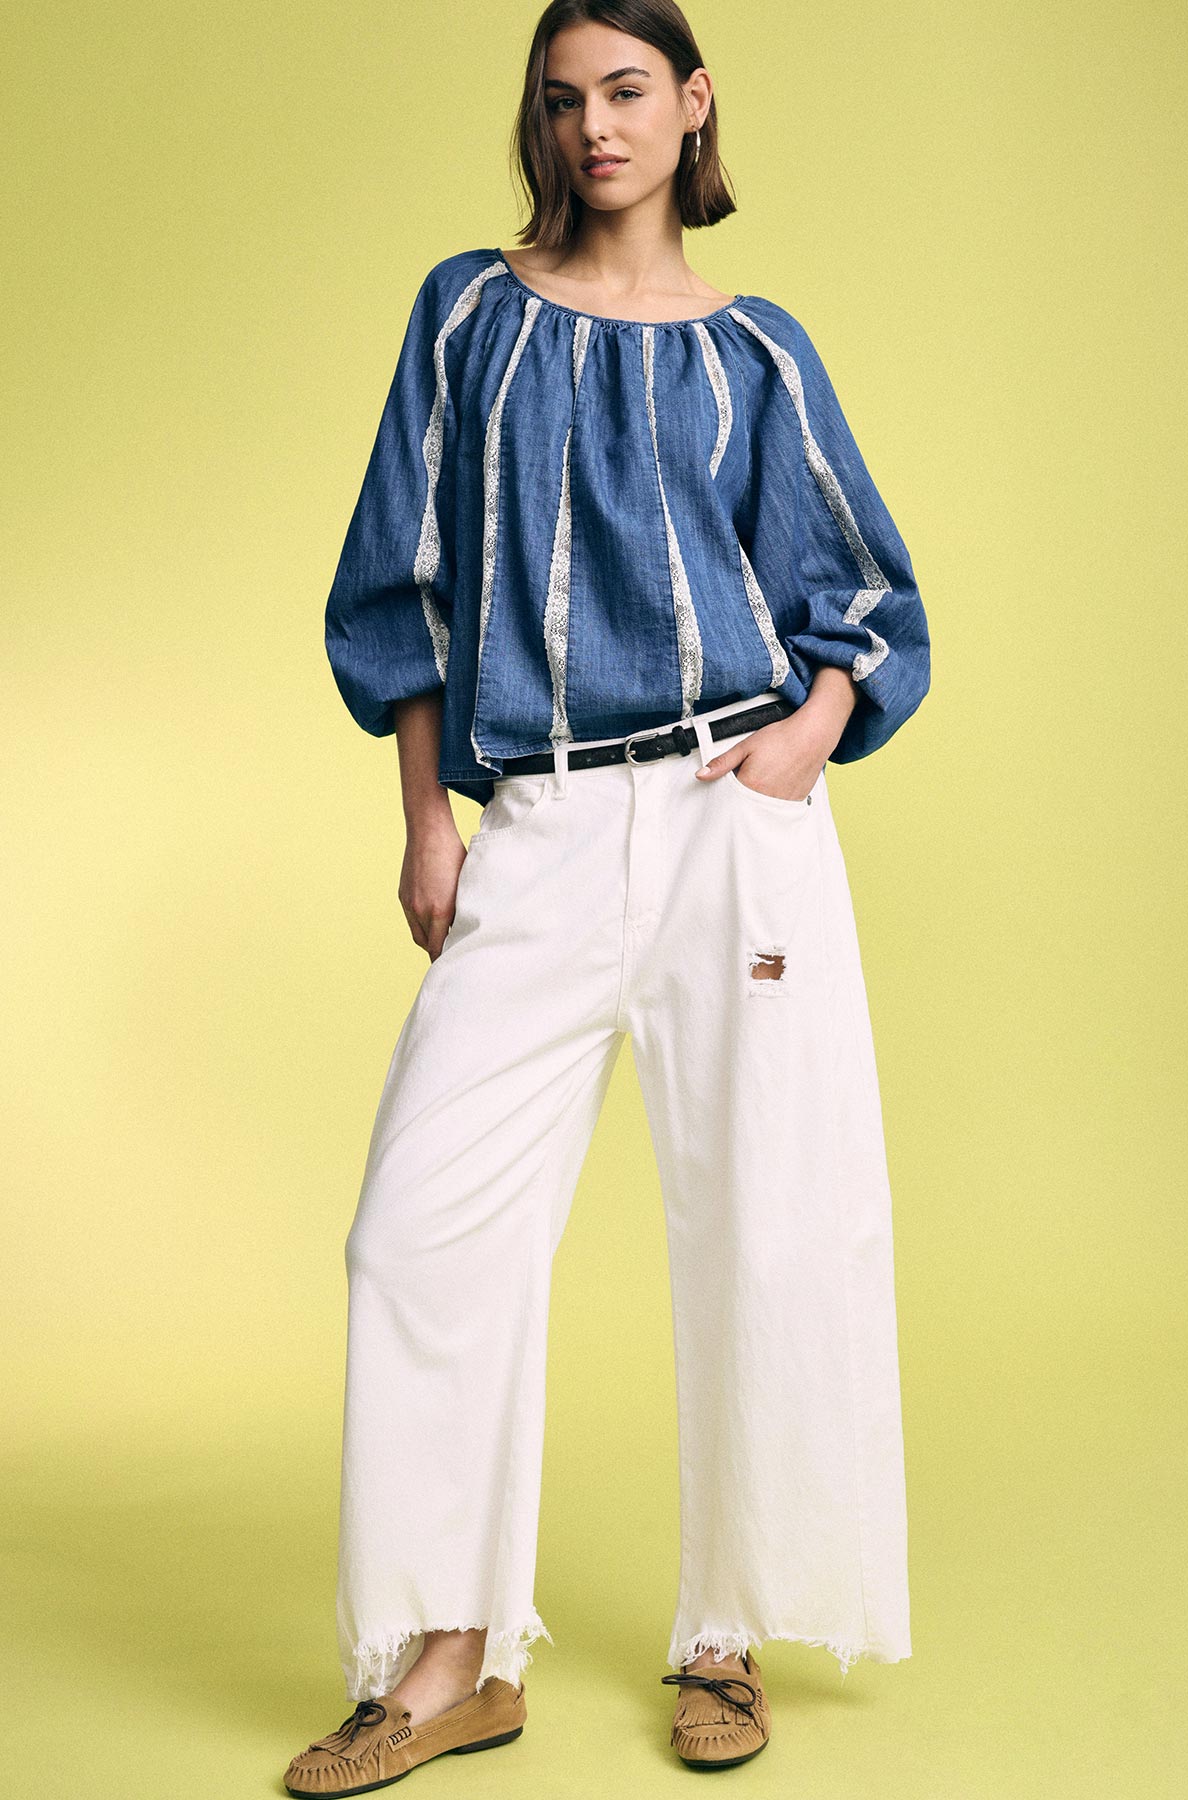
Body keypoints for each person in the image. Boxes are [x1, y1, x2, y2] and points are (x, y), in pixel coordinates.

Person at [285, 1, 931, 1790]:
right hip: (547, 823)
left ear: (693, 103)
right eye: (563, 100)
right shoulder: (468, 315)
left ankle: (723, 1638)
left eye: (628, 91)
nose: (595, 128)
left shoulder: (757, 353)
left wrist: (810, 733)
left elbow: (865, 598)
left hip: (741, 817)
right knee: (421, 1228)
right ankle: (449, 1656)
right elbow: (400, 583)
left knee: (769, 1220)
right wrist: (429, 818)